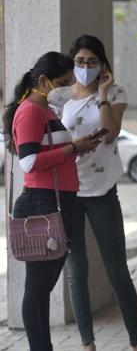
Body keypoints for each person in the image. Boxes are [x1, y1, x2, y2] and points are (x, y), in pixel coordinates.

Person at [53, 35, 137, 351]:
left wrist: (103, 94)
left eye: (92, 61)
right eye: (79, 61)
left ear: (102, 64)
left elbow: (110, 135)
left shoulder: (116, 92)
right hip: (68, 192)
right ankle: (87, 344)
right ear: (72, 63)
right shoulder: (59, 96)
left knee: (117, 271)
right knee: (76, 272)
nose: (85, 67)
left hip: (102, 191)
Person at [2, 51, 100, 351]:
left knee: (42, 288)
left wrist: (76, 148)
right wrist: (72, 148)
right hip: (41, 204)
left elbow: (46, 155)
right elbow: (28, 162)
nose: (69, 86)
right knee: (38, 288)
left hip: (57, 202)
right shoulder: (30, 111)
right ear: (43, 81)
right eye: (63, 82)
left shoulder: (46, 110)